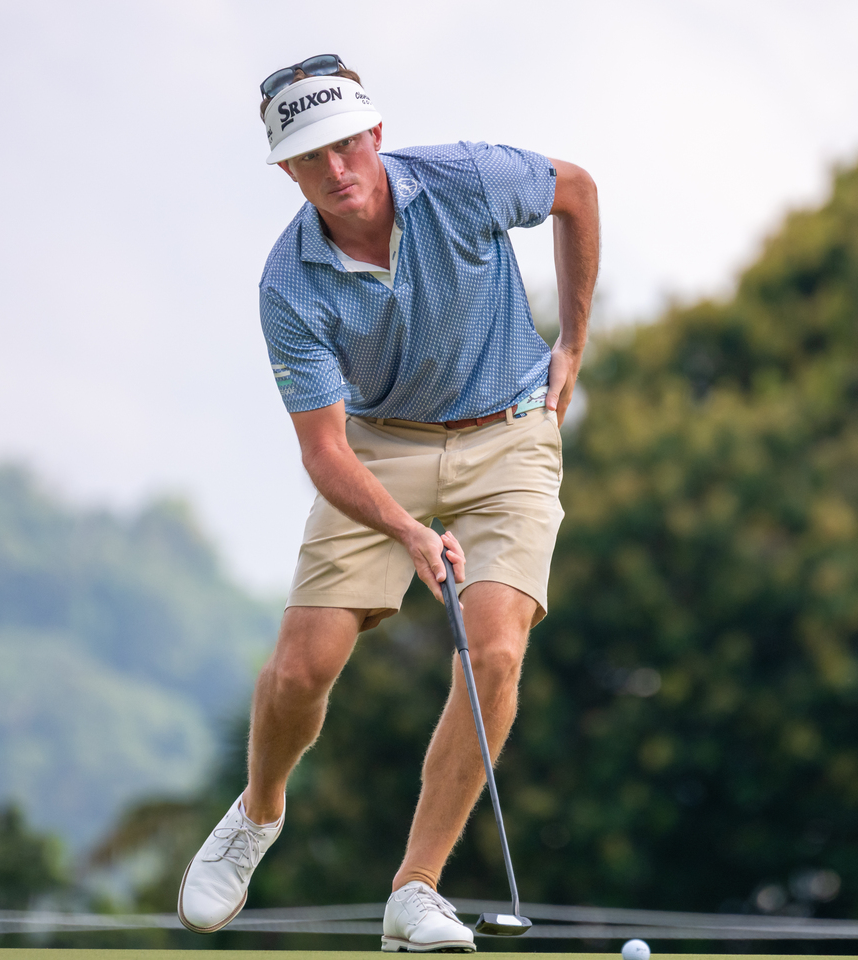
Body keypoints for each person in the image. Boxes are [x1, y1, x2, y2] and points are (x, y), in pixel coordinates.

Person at [176, 55, 599, 953]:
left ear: (375, 131)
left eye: (345, 144)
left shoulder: (466, 178)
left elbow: (577, 191)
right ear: (286, 171)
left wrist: (572, 339)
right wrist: (408, 531)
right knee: (302, 669)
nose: (336, 169)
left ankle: (416, 890)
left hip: (511, 430)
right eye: (309, 156)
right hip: (379, 448)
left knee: (494, 653)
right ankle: (258, 814)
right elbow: (324, 451)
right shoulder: (289, 285)